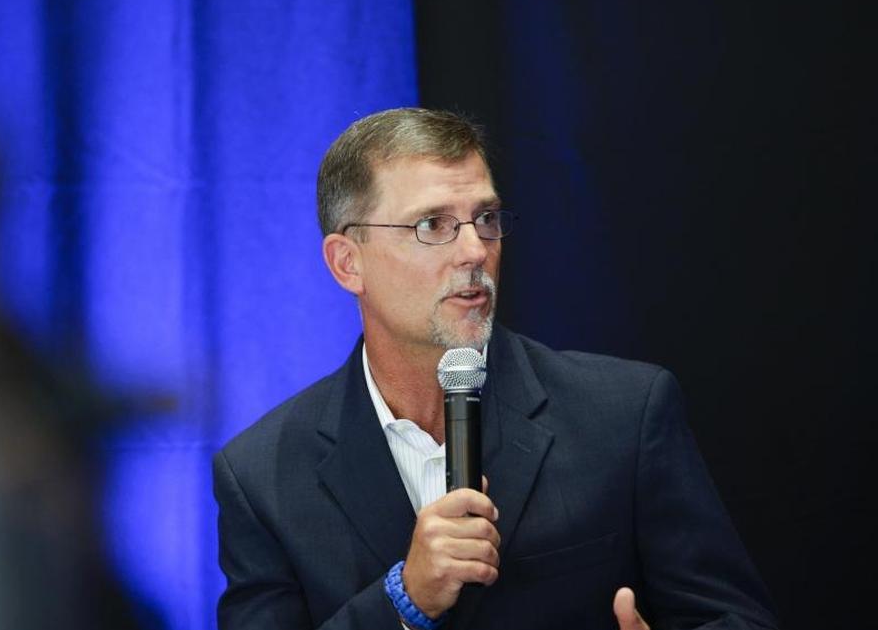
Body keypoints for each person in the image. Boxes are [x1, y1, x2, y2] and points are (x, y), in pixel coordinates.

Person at [213, 108, 777, 629]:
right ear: (347, 263)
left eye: (485, 218)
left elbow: (735, 618)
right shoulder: (262, 477)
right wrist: (403, 598)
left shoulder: (625, 413)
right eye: (432, 225)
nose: (475, 251)